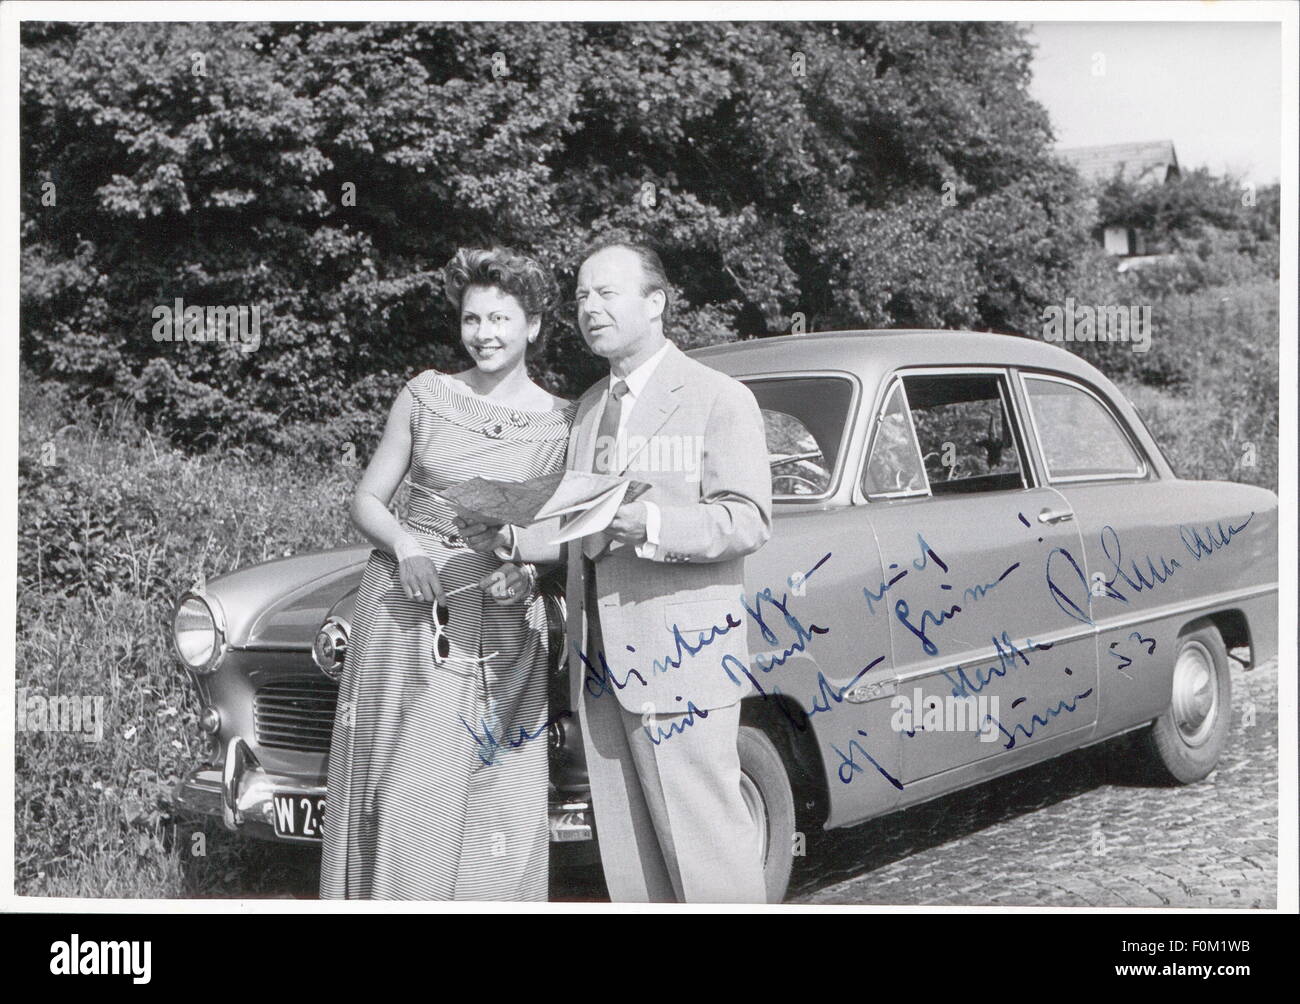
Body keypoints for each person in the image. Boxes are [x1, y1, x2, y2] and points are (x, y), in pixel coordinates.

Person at [465, 239, 773, 903]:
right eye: (580, 297)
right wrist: (520, 549)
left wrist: (654, 526)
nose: (589, 308)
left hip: (683, 666)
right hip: (598, 673)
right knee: (632, 868)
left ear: (656, 303)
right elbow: (582, 531)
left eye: (606, 293)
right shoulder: (589, 411)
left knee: (707, 856)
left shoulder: (719, 399)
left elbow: (747, 519)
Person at [320, 246, 576, 901]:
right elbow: (366, 500)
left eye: (500, 319)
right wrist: (405, 545)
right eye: (471, 319)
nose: (484, 334)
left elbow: (566, 539)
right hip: (407, 611)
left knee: (502, 805)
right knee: (403, 793)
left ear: (534, 326)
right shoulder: (426, 394)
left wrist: (531, 576)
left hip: (503, 626)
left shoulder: (564, 424)